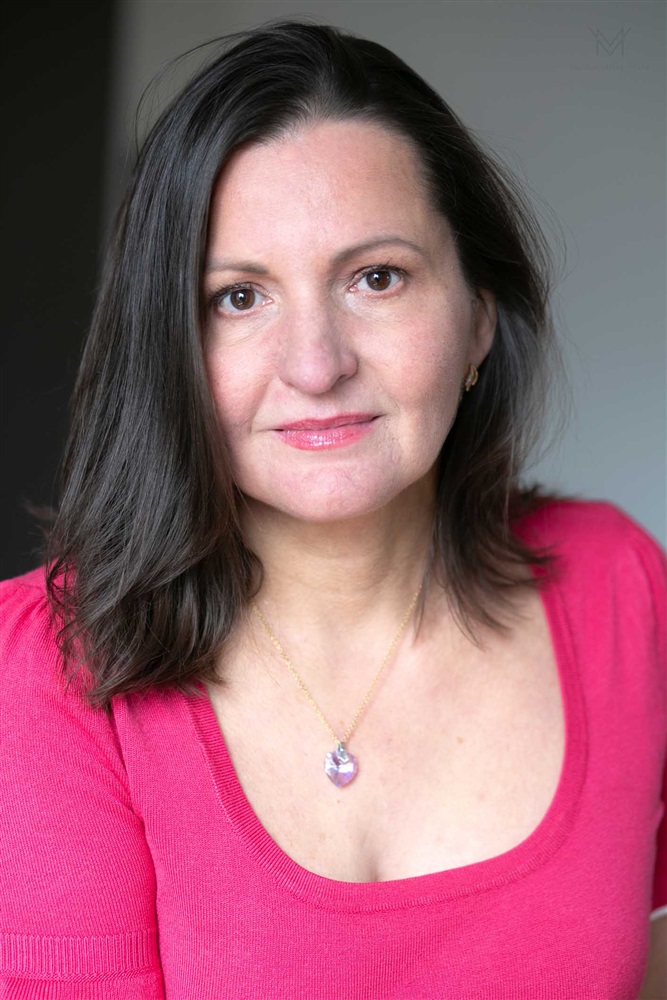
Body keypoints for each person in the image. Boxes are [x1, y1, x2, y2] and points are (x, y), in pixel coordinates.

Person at [1, 20, 665, 999]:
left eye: (376, 278)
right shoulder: (49, 667)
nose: (316, 365)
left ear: (479, 316)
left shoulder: (621, 586)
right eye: (238, 297)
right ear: (167, 345)